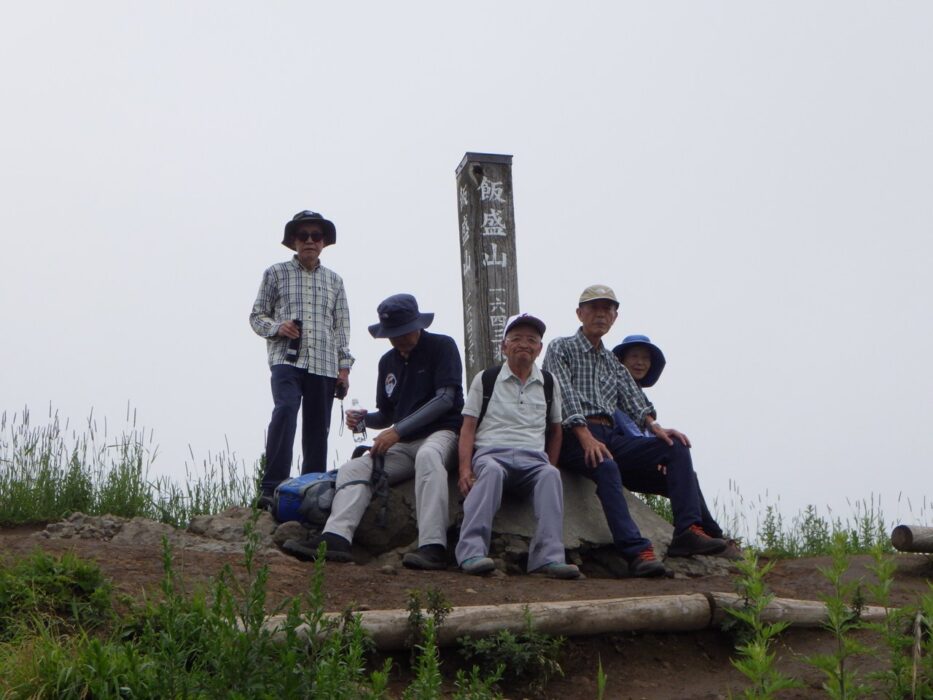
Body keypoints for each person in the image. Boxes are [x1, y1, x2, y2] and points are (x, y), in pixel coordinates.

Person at [542, 284, 727, 578]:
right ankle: (637, 551)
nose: (601, 315)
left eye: (607, 310)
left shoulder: (612, 362)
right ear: (579, 314)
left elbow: (634, 399)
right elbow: (562, 393)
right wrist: (584, 435)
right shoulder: (561, 347)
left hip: (610, 435)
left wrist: (655, 426)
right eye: (594, 308)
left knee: (675, 446)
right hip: (573, 434)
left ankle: (688, 530)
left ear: (615, 317)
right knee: (605, 465)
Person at [285, 293, 464, 570]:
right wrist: (364, 420)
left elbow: (445, 399)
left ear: (418, 324)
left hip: (443, 434)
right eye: (393, 334)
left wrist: (397, 431)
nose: (399, 339)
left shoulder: (442, 346)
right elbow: (388, 415)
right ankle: (336, 537)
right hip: (403, 443)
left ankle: (433, 546)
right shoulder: (388, 362)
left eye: (404, 332)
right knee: (353, 468)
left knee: (428, 456)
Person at [455, 313, 581, 580]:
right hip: (491, 454)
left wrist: (549, 463)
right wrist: (465, 469)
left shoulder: (549, 382)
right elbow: (468, 427)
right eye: (517, 338)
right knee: (490, 471)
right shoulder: (486, 379)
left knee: (550, 475)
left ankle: (548, 559)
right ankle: (471, 552)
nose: (524, 344)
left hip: (534, 458)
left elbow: (556, 430)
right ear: (504, 346)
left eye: (532, 340)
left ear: (540, 348)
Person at [250, 210, 353, 507]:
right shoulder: (275, 273)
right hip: (286, 358)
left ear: (323, 242)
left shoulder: (335, 281)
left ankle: (312, 491)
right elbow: (256, 316)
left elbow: (341, 328)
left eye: (316, 236)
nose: (309, 241)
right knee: (285, 410)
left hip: (324, 362)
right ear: (294, 241)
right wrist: (277, 327)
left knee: (318, 428)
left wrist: (344, 369)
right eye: (303, 235)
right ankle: (271, 487)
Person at [612, 334, 738, 554]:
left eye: (645, 358)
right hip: (615, 452)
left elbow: (643, 432)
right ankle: (691, 531)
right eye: (634, 356)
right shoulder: (613, 386)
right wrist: (656, 452)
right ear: (621, 360)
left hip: (634, 457)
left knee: (685, 474)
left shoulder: (641, 398)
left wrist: (657, 455)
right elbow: (627, 425)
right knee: (675, 447)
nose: (640, 362)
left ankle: (711, 535)